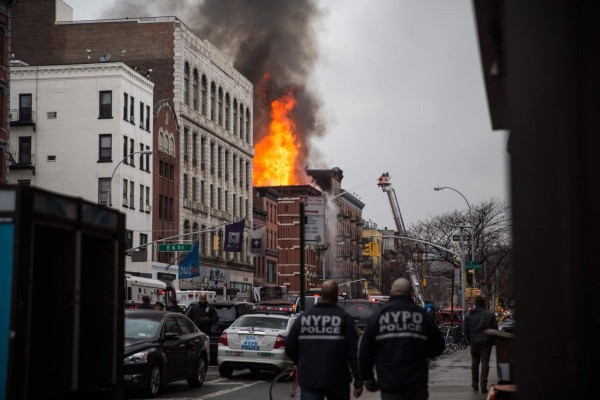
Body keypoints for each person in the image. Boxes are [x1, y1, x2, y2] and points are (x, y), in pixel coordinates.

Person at [359, 277, 444, 400]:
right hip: (416, 382)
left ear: (392, 292)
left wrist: (367, 378)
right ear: (410, 293)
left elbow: (365, 350)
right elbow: (438, 347)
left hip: (389, 382)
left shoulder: (379, 316)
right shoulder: (421, 315)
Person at [285, 280, 363, 400]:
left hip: (310, 377)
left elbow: (290, 347)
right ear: (336, 295)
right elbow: (353, 353)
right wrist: (358, 381)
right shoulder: (344, 319)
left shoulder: (304, 318)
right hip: (337, 378)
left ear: (321, 294)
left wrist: (301, 362)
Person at [463, 295, 498, 394]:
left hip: (474, 342)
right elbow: (495, 329)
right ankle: (483, 385)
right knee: (485, 363)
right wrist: (492, 341)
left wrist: (469, 339)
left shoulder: (468, 315)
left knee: (475, 363)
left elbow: (465, 330)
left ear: (475, 304)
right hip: (486, 342)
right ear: (484, 304)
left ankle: (475, 383)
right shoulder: (490, 315)